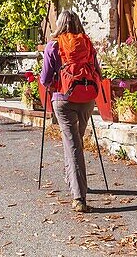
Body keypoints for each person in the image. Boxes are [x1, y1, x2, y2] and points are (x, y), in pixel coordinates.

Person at [40, 11, 103, 213]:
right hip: (87, 98)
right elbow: (98, 72)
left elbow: (45, 79)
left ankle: (79, 197)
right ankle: (74, 181)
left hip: (63, 99)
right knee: (76, 143)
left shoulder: (54, 45)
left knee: (72, 145)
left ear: (59, 24)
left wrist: (51, 84)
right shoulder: (87, 43)